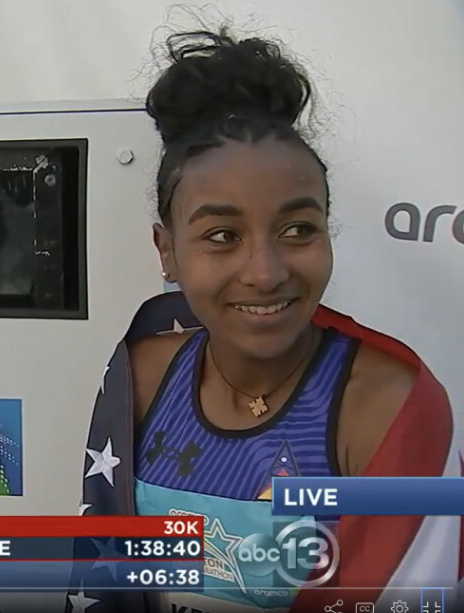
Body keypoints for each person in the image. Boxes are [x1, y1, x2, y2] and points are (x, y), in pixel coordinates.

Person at [70, 28, 460, 613]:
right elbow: (105, 572)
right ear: (167, 251)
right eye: (222, 236)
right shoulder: (142, 374)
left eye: (298, 229)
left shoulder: (387, 406)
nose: (265, 272)